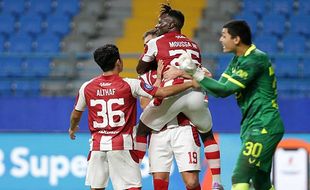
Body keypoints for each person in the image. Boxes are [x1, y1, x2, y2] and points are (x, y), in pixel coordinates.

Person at [68, 44, 196, 190]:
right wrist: (191, 83)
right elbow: (162, 93)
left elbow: (76, 114)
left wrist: (72, 128)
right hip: (122, 146)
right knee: (132, 187)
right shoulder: (129, 84)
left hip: (96, 148)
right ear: (118, 62)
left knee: (97, 188)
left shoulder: (86, 87)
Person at [181, 20, 285, 190]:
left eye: (224, 36)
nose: (221, 40)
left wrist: (196, 73)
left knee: (240, 176)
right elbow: (218, 89)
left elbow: (225, 90)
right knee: (261, 183)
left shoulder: (255, 59)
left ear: (236, 39)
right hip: (252, 125)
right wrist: (195, 73)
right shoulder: (238, 60)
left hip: (264, 125)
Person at [136, 5, 224, 189]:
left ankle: (132, 169)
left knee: (192, 183)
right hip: (161, 132)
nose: (147, 47)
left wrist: (179, 75)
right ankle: (217, 181)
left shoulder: (157, 50)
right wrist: (168, 78)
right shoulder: (192, 46)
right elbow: (145, 104)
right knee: (207, 133)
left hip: (183, 126)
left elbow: (206, 76)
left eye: (148, 44)